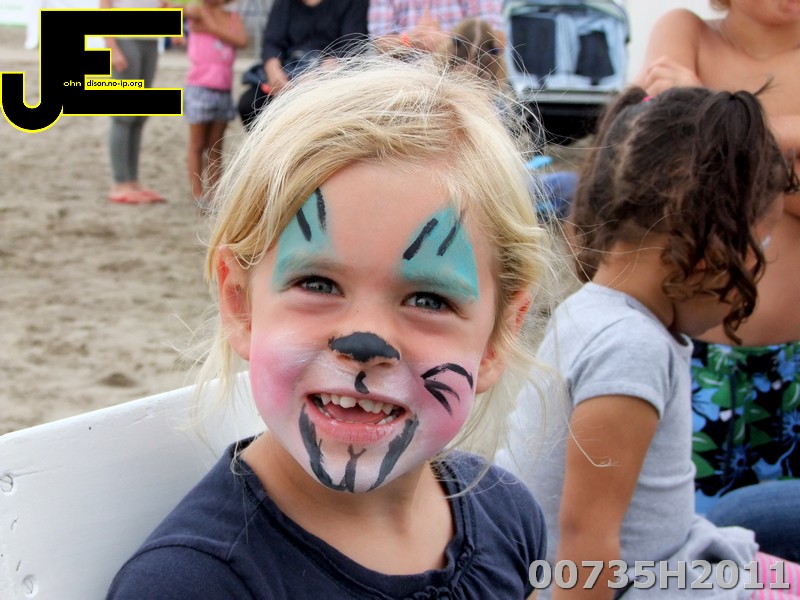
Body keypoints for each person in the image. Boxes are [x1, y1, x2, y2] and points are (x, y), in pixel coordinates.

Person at [106, 52, 553, 598]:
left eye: (428, 299)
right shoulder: (190, 587)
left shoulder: (511, 517)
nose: (365, 342)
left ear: (498, 338)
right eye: (318, 284)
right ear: (240, 304)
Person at [496, 86, 800, 598]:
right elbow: (586, 543)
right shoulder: (631, 349)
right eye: (758, 243)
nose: (758, 268)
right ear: (708, 241)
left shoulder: (593, 309)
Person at [635, 0, 800, 555]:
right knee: (680, 548)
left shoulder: (696, 59)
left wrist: (723, 122)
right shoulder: (684, 31)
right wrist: (783, 153)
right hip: (692, 359)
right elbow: (665, 160)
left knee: (784, 555)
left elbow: (707, 154)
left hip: (796, 368)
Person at [236, 0, 368, 131]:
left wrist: (319, 75)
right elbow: (272, 43)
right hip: (289, 73)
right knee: (250, 104)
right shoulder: (284, 4)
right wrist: (275, 74)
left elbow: (352, 46)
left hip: (332, 78)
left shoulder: (352, 3)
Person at [181, 0, 248, 205]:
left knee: (215, 147)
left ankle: (216, 194)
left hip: (223, 89)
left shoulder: (232, 18)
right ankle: (198, 194)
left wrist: (212, 28)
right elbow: (177, 7)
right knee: (197, 144)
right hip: (199, 87)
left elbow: (242, 41)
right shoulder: (198, 11)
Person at [100, 0, 166, 205]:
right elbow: (105, 5)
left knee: (139, 115)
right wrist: (111, 47)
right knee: (124, 115)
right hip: (125, 38)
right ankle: (120, 182)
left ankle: (133, 181)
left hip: (150, 40)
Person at [368, 0, 504, 53]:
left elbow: (497, 41)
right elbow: (380, 43)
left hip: (463, 77)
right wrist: (409, 40)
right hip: (405, 82)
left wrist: (448, 41)